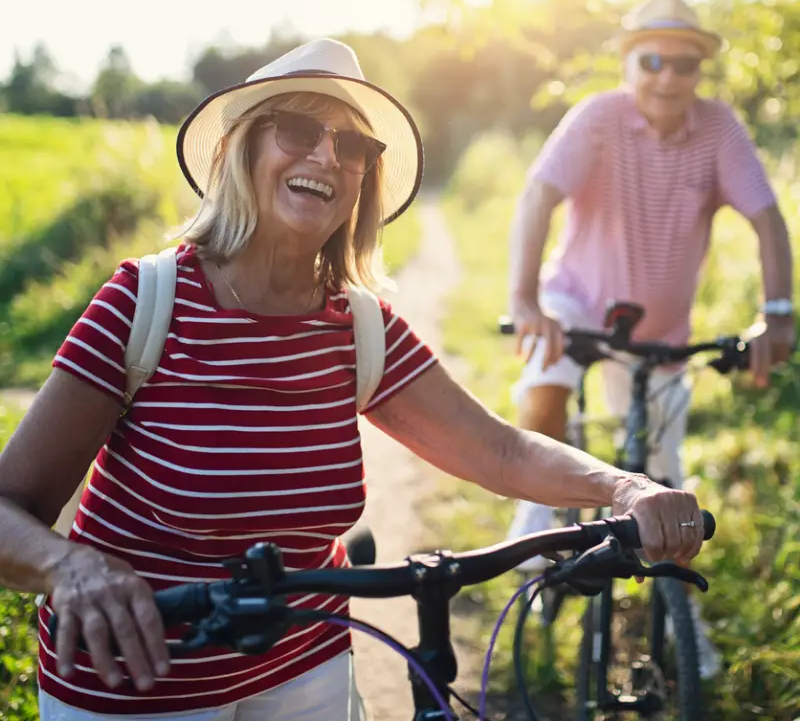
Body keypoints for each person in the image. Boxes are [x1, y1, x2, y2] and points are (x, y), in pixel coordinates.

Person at [1, 38, 712, 721]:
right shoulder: (146, 303)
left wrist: (629, 487)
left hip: (307, 665)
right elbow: (10, 506)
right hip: (140, 678)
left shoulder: (358, 327)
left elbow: (499, 450)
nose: (325, 155)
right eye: (298, 128)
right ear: (242, 148)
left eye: (353, 146)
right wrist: (70, 569)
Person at [505, 0, 796, 678]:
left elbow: (768, 218)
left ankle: (680, 617)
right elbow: (538, 196)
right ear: (629, 60)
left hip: (664, 332)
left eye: (685, 62)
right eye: (653, 59)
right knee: (547, 382)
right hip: (575, 301)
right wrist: (523, 300)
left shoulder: (719, 128)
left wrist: (777, 313)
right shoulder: (599, 118)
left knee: (663, 475)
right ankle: (533, 506)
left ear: (701, 69)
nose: (668, 76)